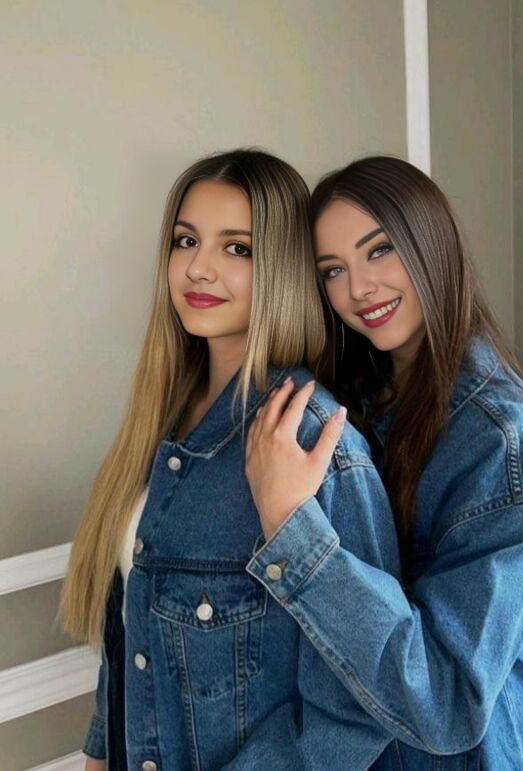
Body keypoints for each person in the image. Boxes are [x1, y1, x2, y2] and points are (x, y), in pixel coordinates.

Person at [244, 156, 523, 770]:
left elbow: (447, 699)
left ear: (433, 243)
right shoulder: (358, 406)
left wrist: (290, 527)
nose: (359, 288)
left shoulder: (506, 444)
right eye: (333, 270)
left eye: (379, 251)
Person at [58, 149, 402, 770]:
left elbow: (359, 704)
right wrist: (100, 751)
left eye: (237, 248)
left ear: (282, 268)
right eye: (186, 240)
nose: (199, 268)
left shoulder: (315, 439)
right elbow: (135, 623)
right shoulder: (162, 419)